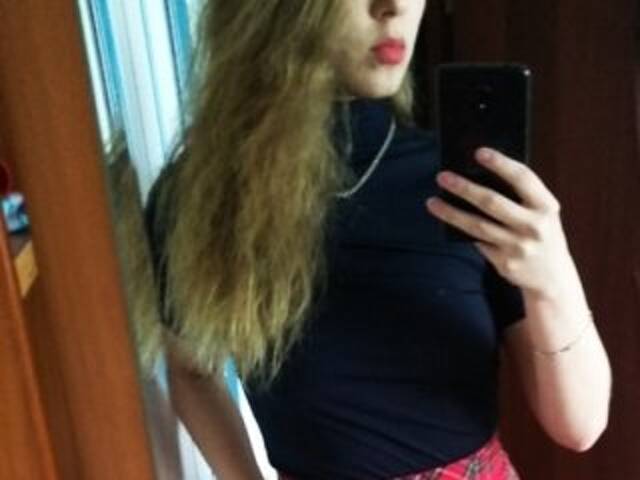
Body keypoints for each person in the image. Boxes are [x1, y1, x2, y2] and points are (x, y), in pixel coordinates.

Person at [144, 1, 612, 479]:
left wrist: (552, 278)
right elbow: (192, 370)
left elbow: (580, 426)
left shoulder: (457, 186)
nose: (396, 6)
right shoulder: (201, 199)